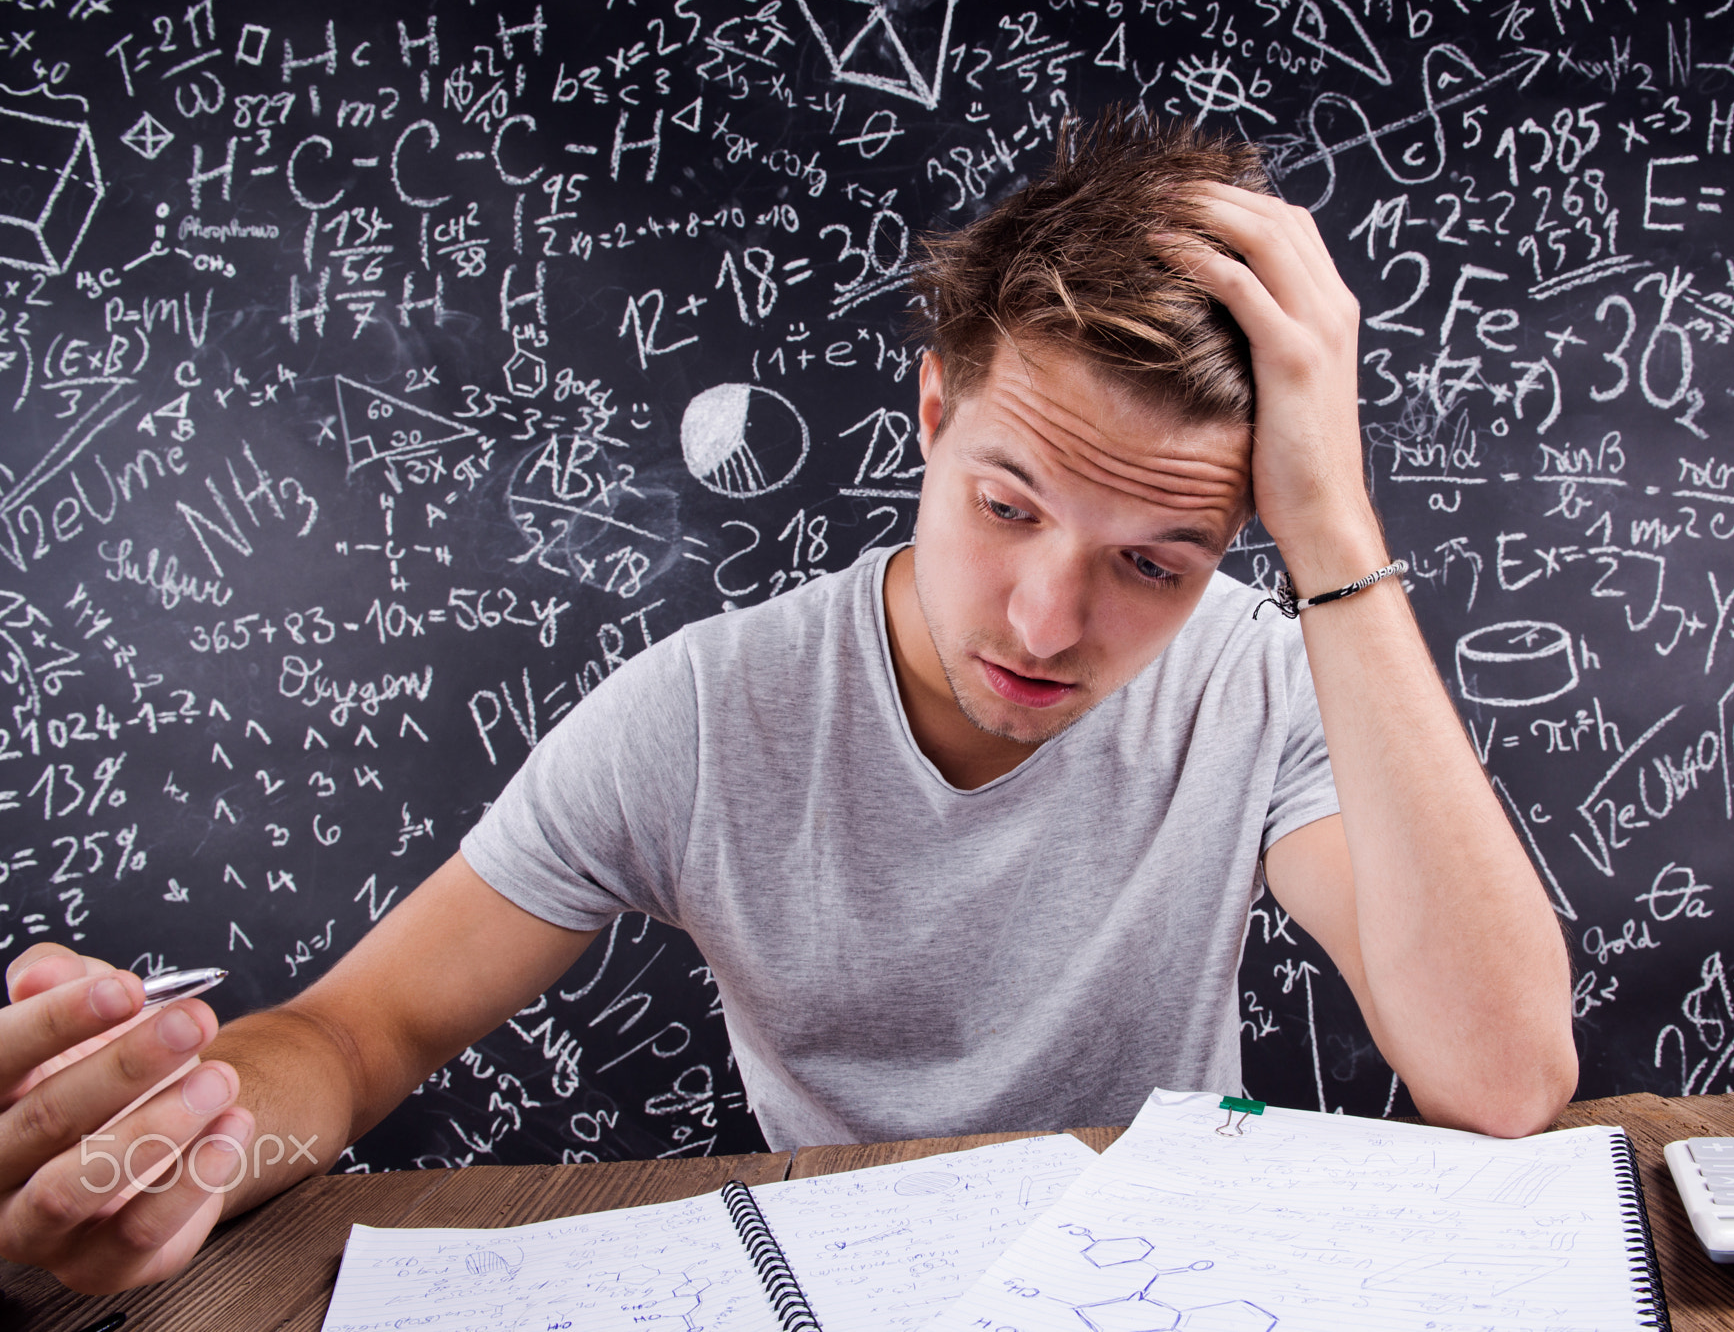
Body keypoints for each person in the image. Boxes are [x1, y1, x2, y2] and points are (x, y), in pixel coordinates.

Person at [0, 111, 1574, 1294]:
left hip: (1158, 1290)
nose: (1047, 622)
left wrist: (1334, 535)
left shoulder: (1260, 673)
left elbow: (1501, 1082)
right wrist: (185, 1130)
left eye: (1155, 562)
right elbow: (355, 1033)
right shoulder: (702, 715)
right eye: (1009, 507)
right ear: (935, 409)